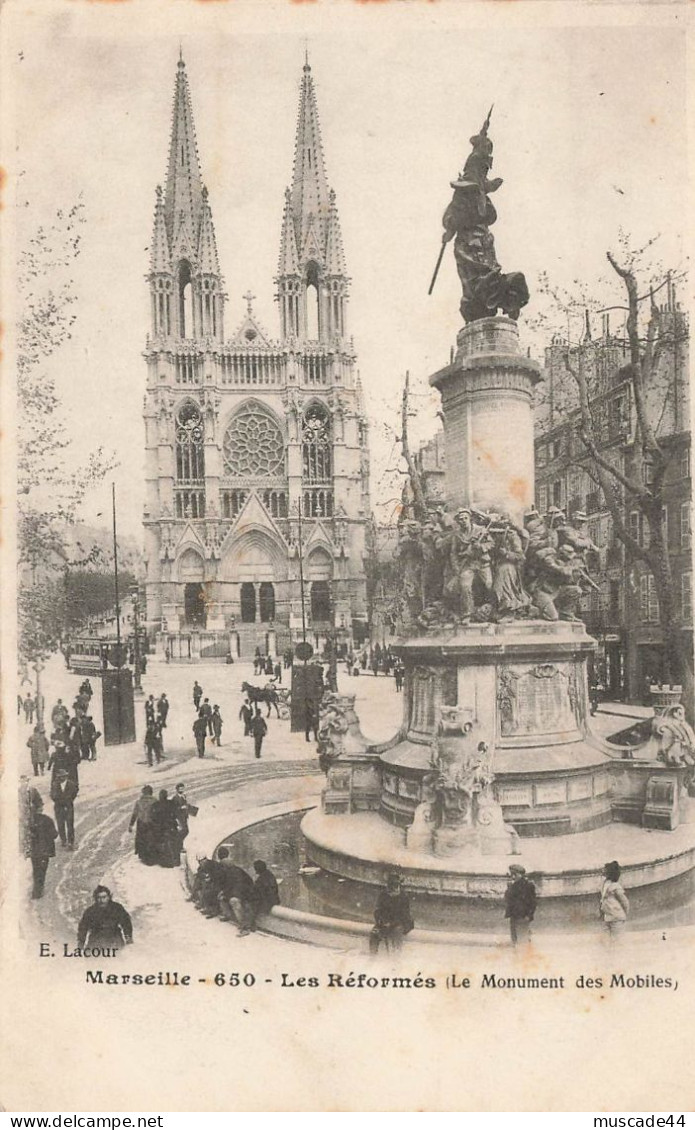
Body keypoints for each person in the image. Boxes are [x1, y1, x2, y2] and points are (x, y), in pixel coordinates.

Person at [369, 873, 414, 954]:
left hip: (400, 923)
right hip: (384, 922)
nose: (393, 888)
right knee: (374, 933)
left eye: (396, 885)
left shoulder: (403, 897)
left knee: (397, 932)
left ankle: (396, 956)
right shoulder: (383, 895)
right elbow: (377, 911)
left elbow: (404, 915)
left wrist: (391, 923)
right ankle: (372, 956)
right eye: (391, 885)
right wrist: (381, 921)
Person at [77, 886, 133, 950]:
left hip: (114, 941)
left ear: (109, 897)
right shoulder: (90, 911)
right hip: (96, 942)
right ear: (95, 898)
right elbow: (83, 928)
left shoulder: (117, 908)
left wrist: (128, 939)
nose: (101, 900)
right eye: (99, 898)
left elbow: (126, 923)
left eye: (104, 897)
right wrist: (81, 944)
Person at [215, 849, 255, 935]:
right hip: (238, 891)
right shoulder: (230, 871)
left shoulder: (233, 873)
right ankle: (227, 915)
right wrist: (224, 892)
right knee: (222, 897)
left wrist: (228, 894)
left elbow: (238, 887)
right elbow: (228, 886)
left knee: (234, 901)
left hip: (245, 892)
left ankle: (245, 927)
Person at [29, 799, 58, 899]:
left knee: (36, 870)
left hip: (34, 851)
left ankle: (36, 890)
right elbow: (54, 835)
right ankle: (38, 892)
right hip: (45, 851)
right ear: (40, 808)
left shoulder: (29, 821)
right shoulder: (47, 820)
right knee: (42, 871)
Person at [504, 864, 537, 945]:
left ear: (521, 875)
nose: (513, 877)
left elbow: (533, 902)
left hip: (523, 916)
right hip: (514, 916)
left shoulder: (528, 885)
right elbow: (508, 899)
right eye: (512, 875)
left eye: (515, 874)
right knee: (514, 939)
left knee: (522, 940)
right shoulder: (513, 886)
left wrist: (529, 916)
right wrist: (509, 888)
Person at [150, 789, 181, 867]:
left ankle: (165, 862)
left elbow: (152, 817)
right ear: (166, 796)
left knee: (161, 844)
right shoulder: (171, 803)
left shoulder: (155, 805)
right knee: (175, 844)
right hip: (171, 827)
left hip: (160, 828)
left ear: (160, 796)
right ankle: (176, 861)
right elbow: (176, 814)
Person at [599, 861, 629, 940]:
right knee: (605, 941)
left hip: (616, 917)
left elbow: (624, 901)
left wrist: (624, 913)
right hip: (607, 917)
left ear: (610, 872)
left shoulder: (615, 886)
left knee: (616, 941)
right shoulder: (604, 883)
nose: (602, 870)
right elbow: (602, 900)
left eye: (605, 869)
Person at [50, 768, 78, 849]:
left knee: (70, 824)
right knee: (60, 824)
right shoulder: (55, 784)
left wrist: (68, 802)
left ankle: (71, 842)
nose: (60, 779)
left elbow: (74, 794)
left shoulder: (71, 784)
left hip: (68, 807)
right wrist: (59, 801)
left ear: (65, 777)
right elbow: (52, 795)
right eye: (59, 777)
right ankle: (63, 840)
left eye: (62, 777)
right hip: (59, 807)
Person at [128, 785, 157, 865]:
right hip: (151, 823)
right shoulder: (155, 801)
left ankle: (143, 856)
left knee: (142, 840)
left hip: (141, 823)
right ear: (151, 792)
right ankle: (150, 858)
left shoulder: (139, 802)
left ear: (143, 793)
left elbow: (135, 814)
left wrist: (131, 825)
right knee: (151, 840)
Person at [248, 860, 280, 931]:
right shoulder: (268, 874)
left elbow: (257, 891)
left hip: (268, 901)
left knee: (250, 904)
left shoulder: (262, 878)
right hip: (274, 899)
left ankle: (250, 925)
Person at [171, 782, 197, 847]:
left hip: (184, 816)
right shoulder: (175, 798)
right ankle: (179, 844)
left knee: (185, 831)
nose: (182, 790)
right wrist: (181, 807)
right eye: (180, 789)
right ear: (177, 790)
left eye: (183, 788)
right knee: (184, 831)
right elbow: (173, 808)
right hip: (179, 817)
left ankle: (180, 844)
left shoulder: (184, 796)